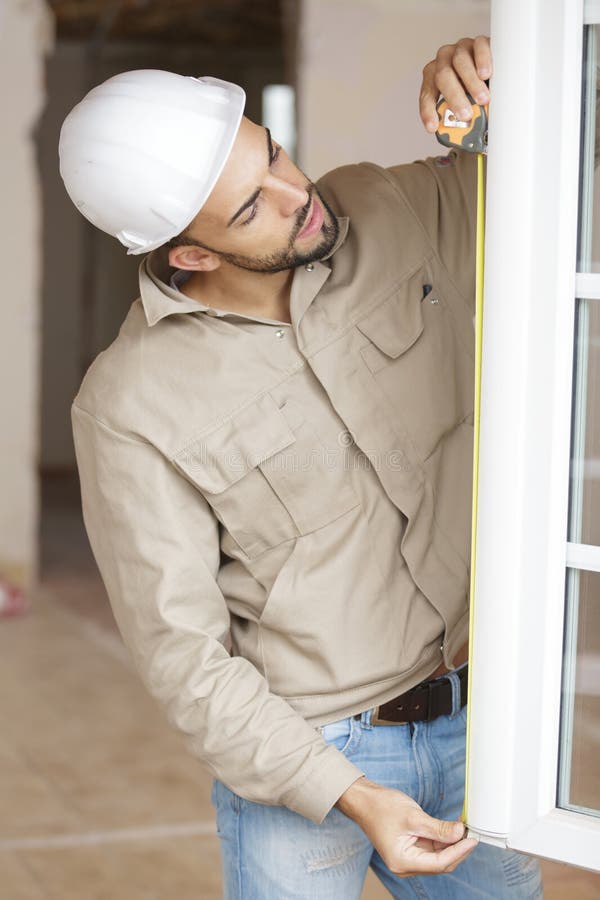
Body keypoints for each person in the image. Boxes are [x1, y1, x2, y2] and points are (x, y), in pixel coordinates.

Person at [59, 35, 544, 898]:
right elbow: (185, 659)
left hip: (479, 723)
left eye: (275, 155)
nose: (300, 196)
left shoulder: (390, 209)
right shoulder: (129, 403)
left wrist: (494, 82)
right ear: (190, 254)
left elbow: (561, 172)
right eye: (253, 208)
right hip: (309, 760)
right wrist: (348, 793)